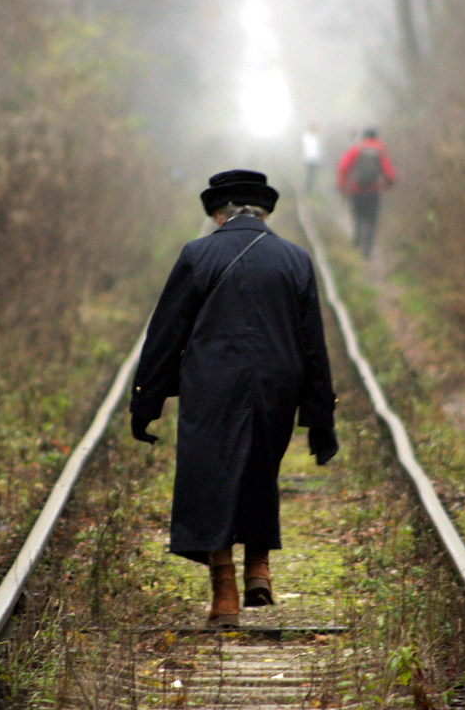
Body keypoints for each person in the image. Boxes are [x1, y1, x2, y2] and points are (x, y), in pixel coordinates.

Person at [129, 169, 338, 628]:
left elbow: (165, 335)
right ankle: (258, 569)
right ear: (263, 213)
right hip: (276, 382)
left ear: (218, 214)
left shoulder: (197, 254)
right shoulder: (295, 259)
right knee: (261, 467)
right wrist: (321, 418)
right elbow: (313, 345)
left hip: (212, 383)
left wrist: (145, 402)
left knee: (212, 476)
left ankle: (224, 593)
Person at [337, 127, 396, 257]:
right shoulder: (379, 150)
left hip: (356, 190)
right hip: (373, 191)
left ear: (363, 137)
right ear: (376, 137)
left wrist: (342, 187)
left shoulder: (356, 149)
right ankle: (367, 249)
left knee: (357, 215)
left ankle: (357, 235)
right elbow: (390, 174)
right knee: (371, 219)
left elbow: (343, 168)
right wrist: (387, 184)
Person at [301, 123, 323, 193]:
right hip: (309, 158)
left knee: (312, 174)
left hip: (313, 159)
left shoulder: (313, 137)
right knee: (310, 174)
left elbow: (318, 149)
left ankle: (310, 187)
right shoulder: (308, 137)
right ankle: (308, 188)